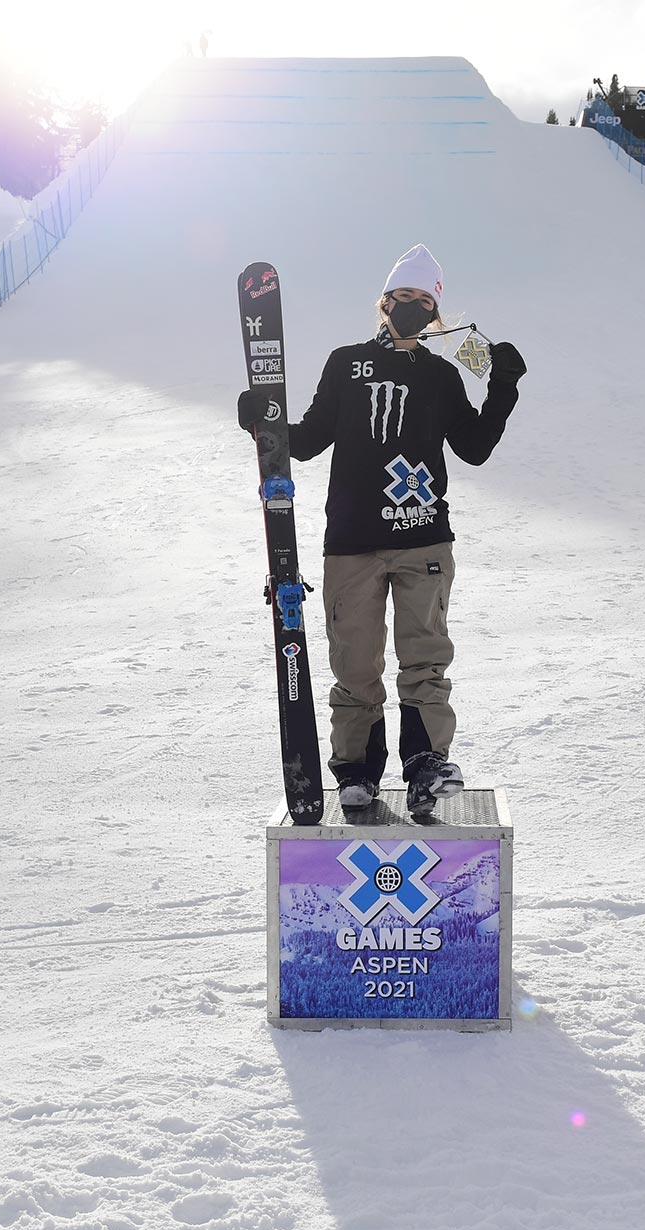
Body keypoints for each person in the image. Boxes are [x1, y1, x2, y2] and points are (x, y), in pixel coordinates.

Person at [239, 244, 525, 811]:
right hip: (352, 542)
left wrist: (502, 388)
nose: (413, 308)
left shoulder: (443, 375)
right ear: (384, 302)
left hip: (423, 539)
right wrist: (265, 422)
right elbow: (313, 438)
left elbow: (474, 449)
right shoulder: (346, 363)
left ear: (436, 314)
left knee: (425, 659)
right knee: (355, 664)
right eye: (404, 298)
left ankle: (425, 765)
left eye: (425, 301)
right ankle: (356, 770)